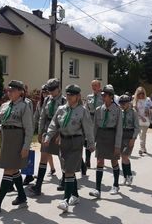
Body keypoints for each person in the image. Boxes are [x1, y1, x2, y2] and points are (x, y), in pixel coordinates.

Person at [44, 84, 95, 213]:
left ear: (78, 96)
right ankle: (75, 196)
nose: (69, 97)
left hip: (76, 142)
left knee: (68, 171)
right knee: (68, 170)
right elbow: (53, 124)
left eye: (72, 94)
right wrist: (48, 136)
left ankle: (65, 200)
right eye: (67, 94)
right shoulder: (61, 109)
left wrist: (91, 143)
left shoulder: (83, 111)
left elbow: (88, 129)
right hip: (63, 142)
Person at [0, 80, 33, 213]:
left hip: (17, 138)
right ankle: (22, 196)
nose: (9, 92)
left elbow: (29, 129)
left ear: (20, 92)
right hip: (6, 139)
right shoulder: (5, 105)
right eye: (8, 90)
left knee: (8, 169)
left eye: (12, 90)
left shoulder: (24, 106)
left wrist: (25, 147)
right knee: (13, 169)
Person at [29, 78, 66, 195]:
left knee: (62, 157)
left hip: (59, 130)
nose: (50, 92)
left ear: (58, 88)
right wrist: (40, 133)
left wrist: (61, 133)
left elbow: (65, 119)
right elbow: (42, 117)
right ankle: (38, 185)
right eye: (49, 90)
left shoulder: (64, 101)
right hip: (47, 129)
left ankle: (64, 179)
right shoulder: (46, 100)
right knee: (43, 156)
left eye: (52, 90)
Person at [89, 85, 121, 199]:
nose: (103, 96)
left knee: (113, 161)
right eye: (102, 94)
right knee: (99, 162)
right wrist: (92, 141)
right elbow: (95, 127)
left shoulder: (117, 110)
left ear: (111, 96)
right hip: (101, 136)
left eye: (105, 94)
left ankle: (116, 185)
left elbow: (119, 129)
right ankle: (98, 189)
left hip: (112, 136)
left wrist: (117, 145)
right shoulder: (98, 109)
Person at [31, 85, 56, 179]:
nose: (45, 94)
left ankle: (79, 165)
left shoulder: (55, 101)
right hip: (45, 129)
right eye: (43, 92)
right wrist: (35, 129)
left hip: (55, 128)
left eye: (47, 92)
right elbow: (36, 116)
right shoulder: (40, 103)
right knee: (45, 150)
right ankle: (50, 169)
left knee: (60, 152)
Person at [119, 94, 140, 186]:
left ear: (128, 103)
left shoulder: (133, 112)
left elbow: (137, 127)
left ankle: (129, 175)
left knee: (125, 155)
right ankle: (125, 176)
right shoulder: (120, 112)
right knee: (122, 156)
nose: (122, 105)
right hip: (121, 135)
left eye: (124, 103)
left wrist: (133, 138)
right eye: (121, 103)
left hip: (129, 135)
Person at [84, 79, 103, 170]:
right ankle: (87, 161)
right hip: (90, 119)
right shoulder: (89, 97)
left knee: (98, 140)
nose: (94, 87)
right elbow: (86, 107)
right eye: (92, 85)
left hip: (99, 119)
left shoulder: (103, 96)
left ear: (99, 87)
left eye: (95, 85)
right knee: (88, 139)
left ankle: (100, 159)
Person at [133, 87, 152, 155]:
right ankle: (143, 148)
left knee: (143, 134)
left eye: (142, 93)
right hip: (138, 120)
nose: (141, 95)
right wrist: (141, 117)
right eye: (139, 93)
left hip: (146, 120)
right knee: (141, 134)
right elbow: (135, 111)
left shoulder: (148, 99)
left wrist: (149, 111)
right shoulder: (135, 100)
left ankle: (142, 148)